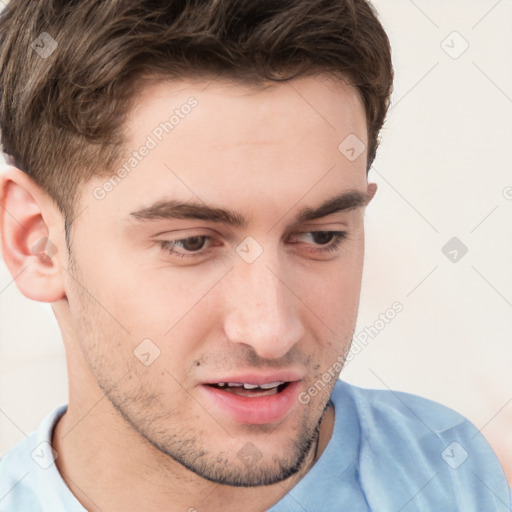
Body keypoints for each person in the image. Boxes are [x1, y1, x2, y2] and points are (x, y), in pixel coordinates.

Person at [0, 0, 509, 510]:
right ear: (37, 242)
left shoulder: (466, 480)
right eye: (191, 243)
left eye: (320, 236)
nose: (271, 332)